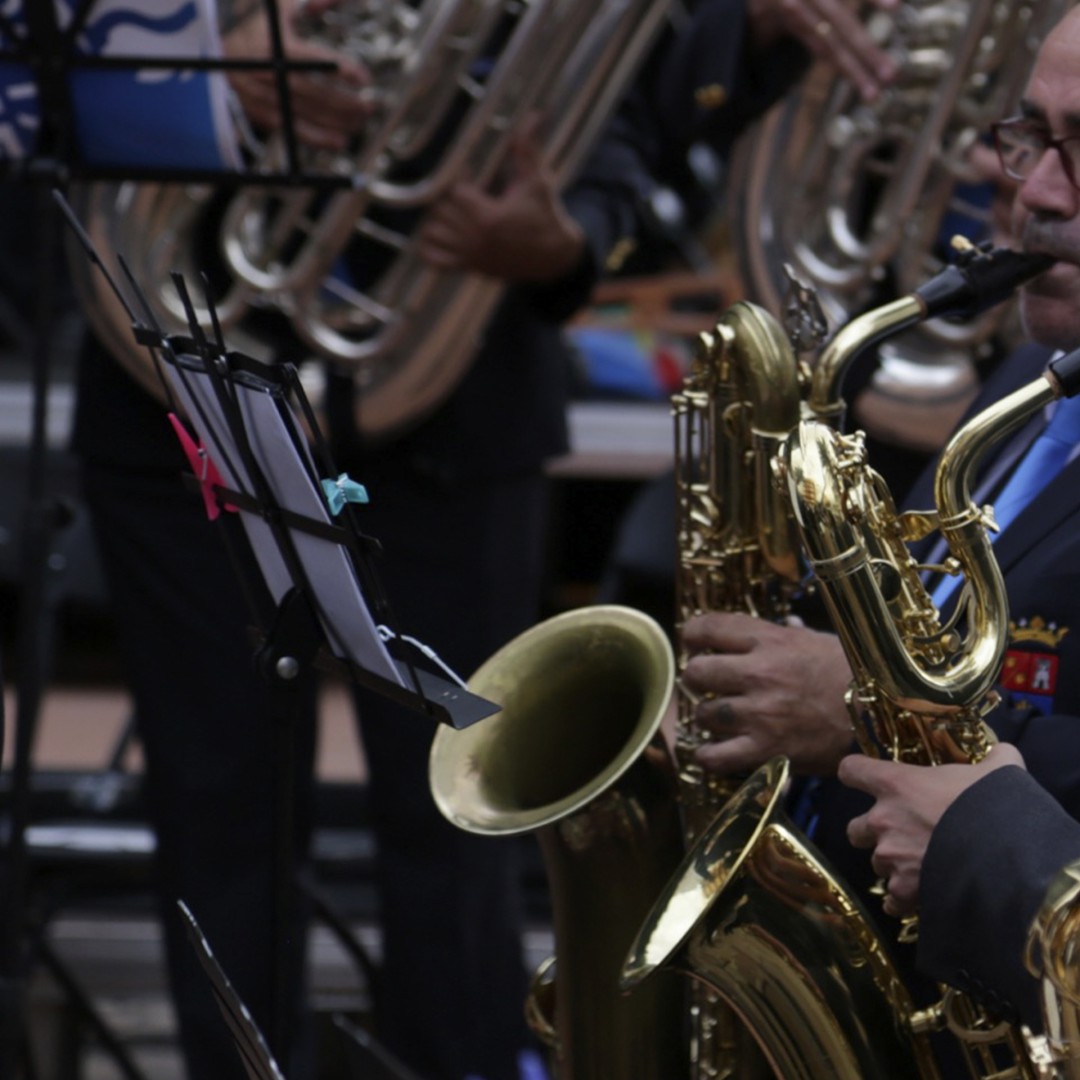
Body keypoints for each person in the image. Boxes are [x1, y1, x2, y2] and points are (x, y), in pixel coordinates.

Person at [68, 2, 897, 1079]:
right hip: (179, 388)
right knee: (217, 809)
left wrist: (573, 237)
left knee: (464, 812)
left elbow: (639, 97)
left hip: (457, 386)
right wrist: (201, 93)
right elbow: (53, 68)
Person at [679, 0, 1080, 1045]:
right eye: (1030, 136)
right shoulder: (1026, 381)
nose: (1030, 189)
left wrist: (858, 713)